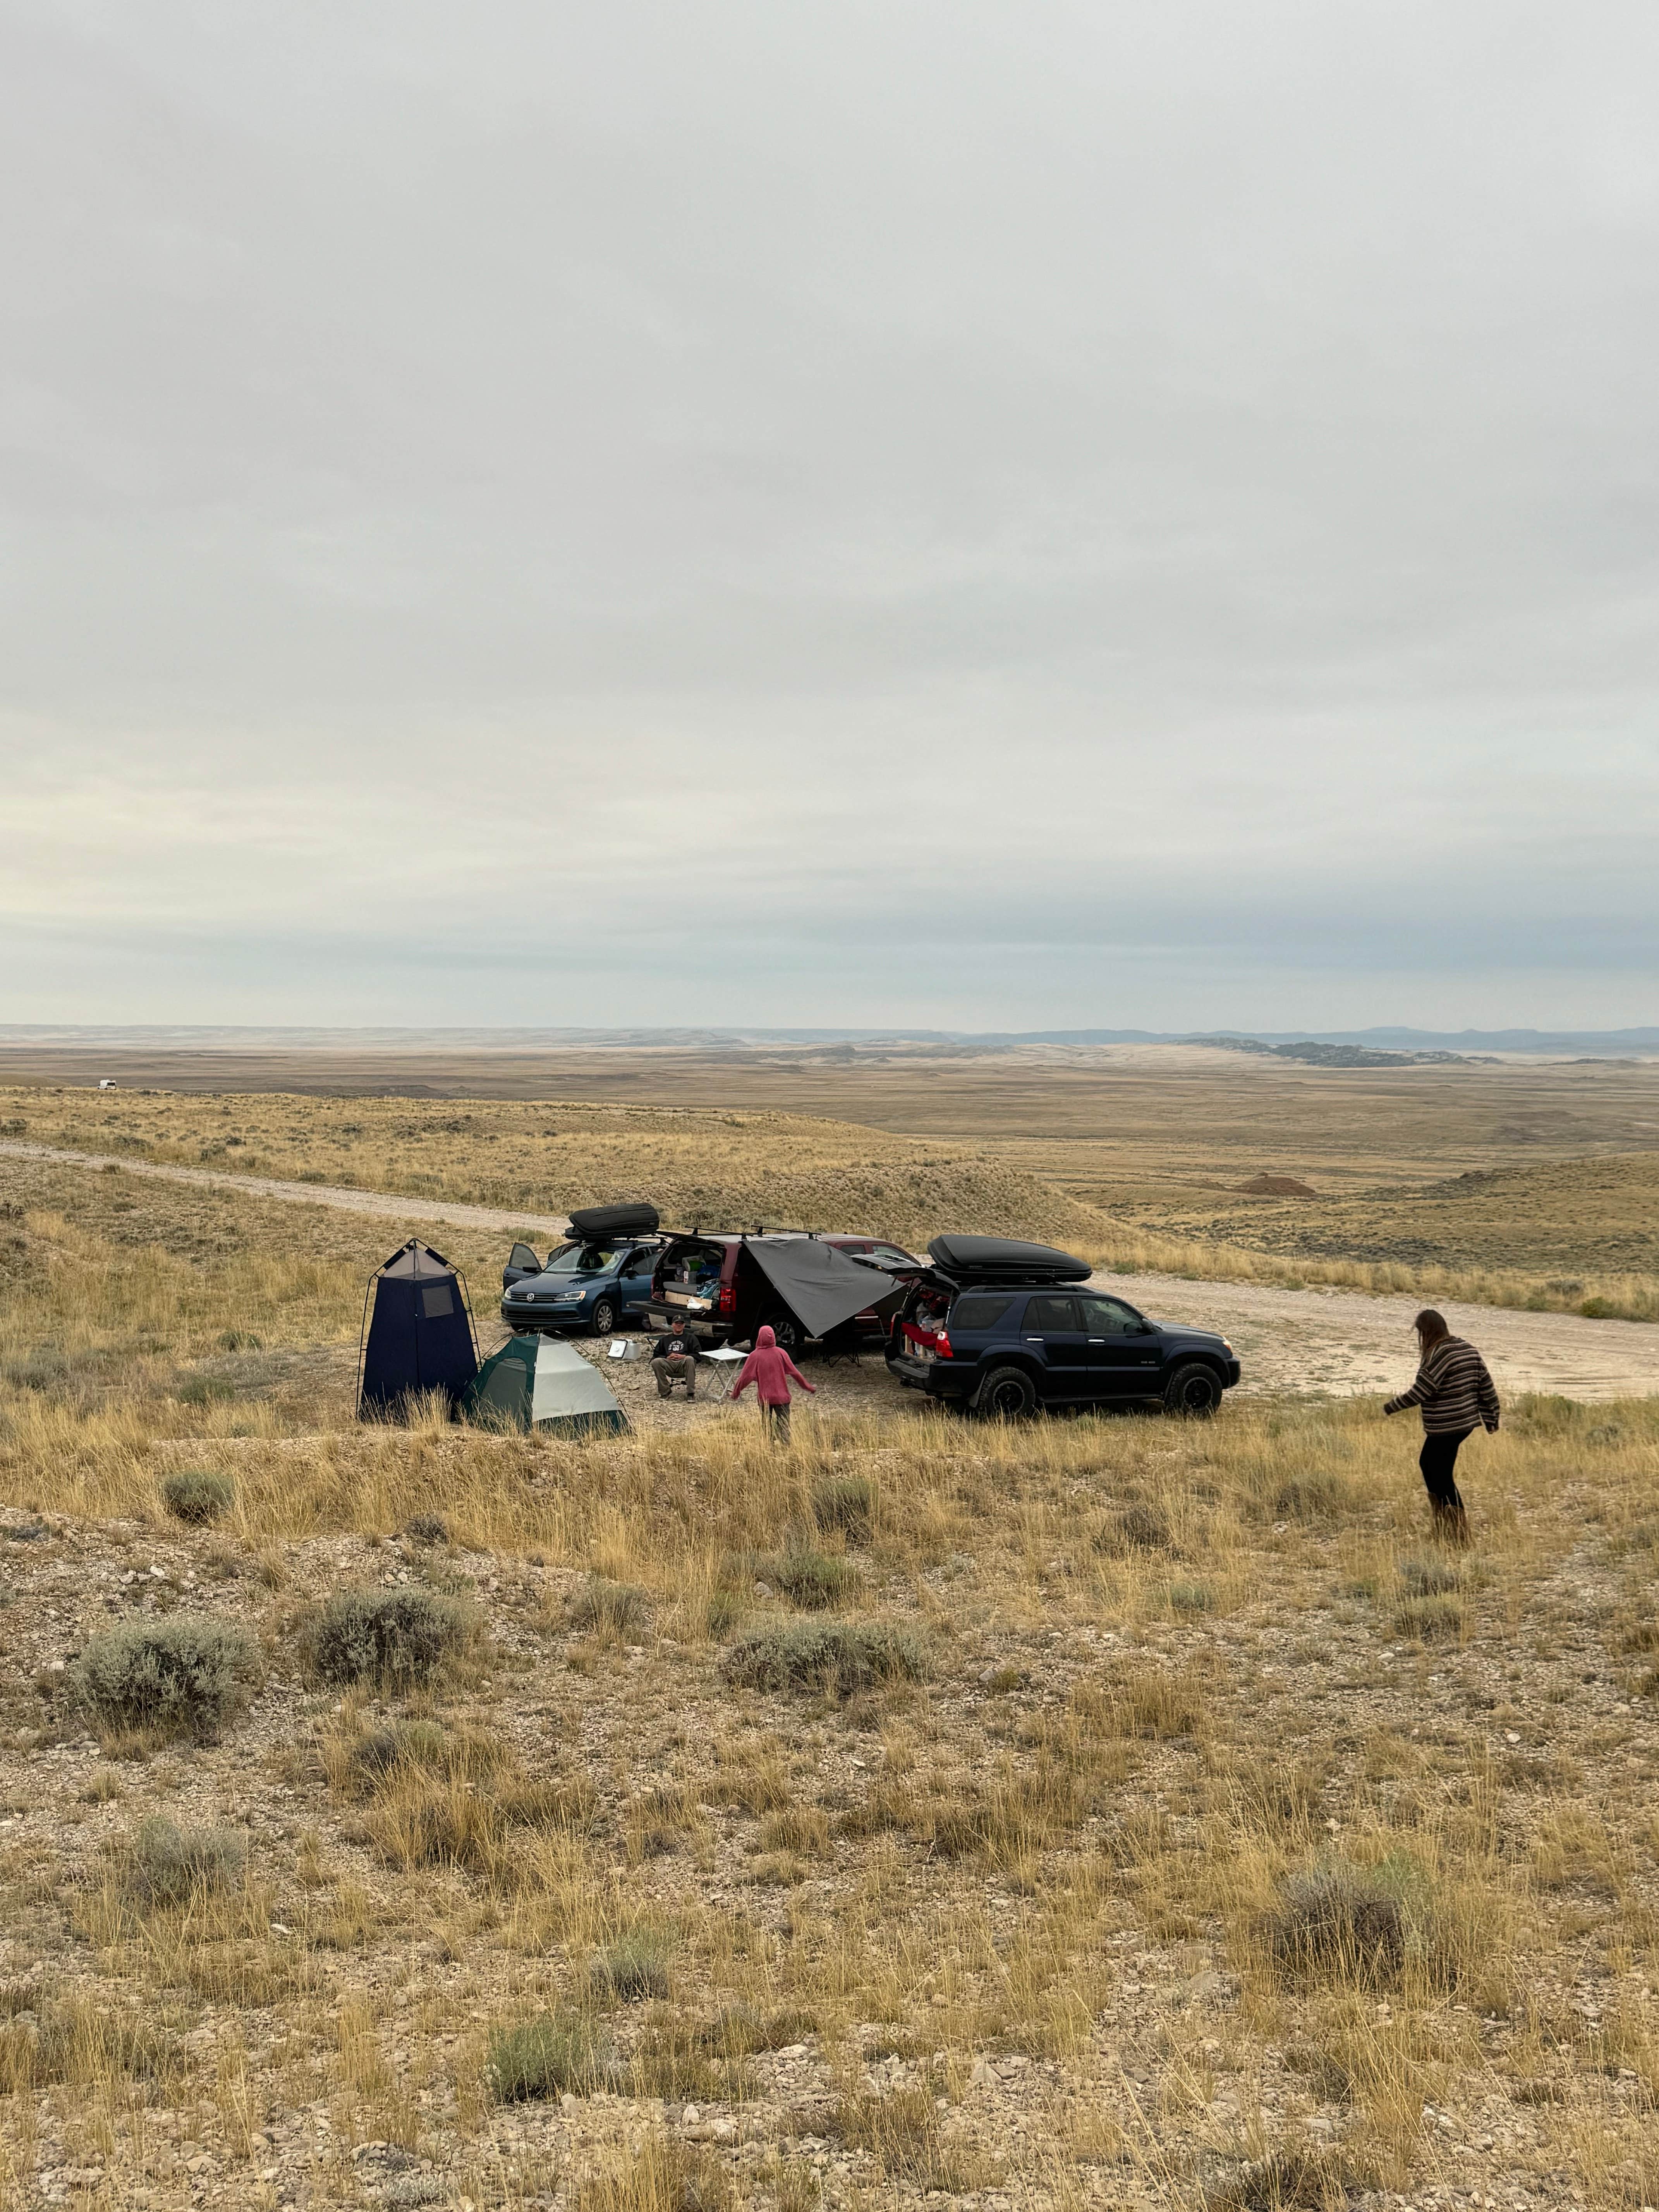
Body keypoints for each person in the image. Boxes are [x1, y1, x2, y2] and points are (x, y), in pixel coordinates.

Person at [1383, 1309, 1499, 1543]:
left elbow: (1421, 1391)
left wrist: (1391, 1407)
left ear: (1426, 1332)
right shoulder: (1466, 1348)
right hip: (1465, 1424)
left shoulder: (1439, 1354)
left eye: (1420, 1333)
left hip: (1446, 1425)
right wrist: (1492, 1417)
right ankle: (1445, 1528)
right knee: (1434, 1468)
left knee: (1438, 1472)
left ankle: (1458, 1534)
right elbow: (1486, 1384)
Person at [729, 1322, 815, 1444]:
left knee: (766, 1427)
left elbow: (744, 1379)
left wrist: (735, 1394)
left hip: (765, 1399)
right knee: (784, 1426)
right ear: (773, 1338)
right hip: (782, 1398)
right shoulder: (781, 1353)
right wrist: (808, 1387)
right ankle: (786, 1450)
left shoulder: (755, 1356)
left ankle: (768, 1450)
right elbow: (795, 1373)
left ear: (759, 1337)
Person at [651, 1317, 703, 1401]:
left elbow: (699, 1355)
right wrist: (667, 1357)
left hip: (684, 1365)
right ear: (672, 1325)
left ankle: (691, 1393)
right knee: (656, 1362)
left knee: (690, 1359)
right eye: (676, 1323)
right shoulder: (665, 1339)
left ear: (684, 1325)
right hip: (669, 1364)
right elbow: (656, 1355)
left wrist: (684, 1357)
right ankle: (665, 1391)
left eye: (681, 1324)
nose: (679, 1325)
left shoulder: (691, 1338)